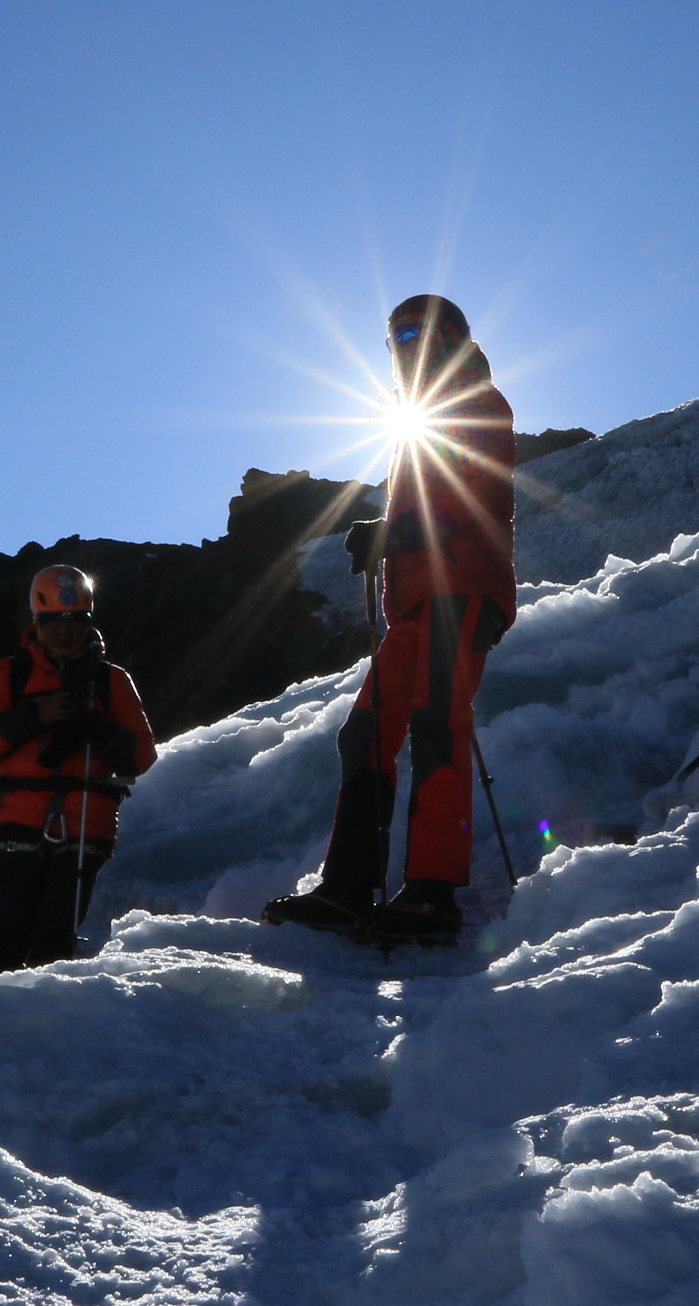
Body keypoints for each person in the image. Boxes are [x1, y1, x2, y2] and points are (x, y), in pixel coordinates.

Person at [263, 294, 516, 942]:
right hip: (415, 603)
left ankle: (431, 892)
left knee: (435, 726)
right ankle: (349, 887)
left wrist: (393, 534)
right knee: (367, 734)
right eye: (396, 337)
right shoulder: (425, 415)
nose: (404, 347)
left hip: (458, 593)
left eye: (416, 333)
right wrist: (390, 530)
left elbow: (467, 494)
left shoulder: (473, 401)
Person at [0, 564, 158, 980]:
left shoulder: (111, 681)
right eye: (54, 621)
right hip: (19, 822)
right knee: (7, 931)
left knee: (55, 933)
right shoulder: (8, 674)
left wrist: (99, 730)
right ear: (38, 621)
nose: (65, 630)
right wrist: (32, 717)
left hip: (86, 826)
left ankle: (34, 1025)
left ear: (87, 620)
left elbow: (142, 755)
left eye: (74, 620)